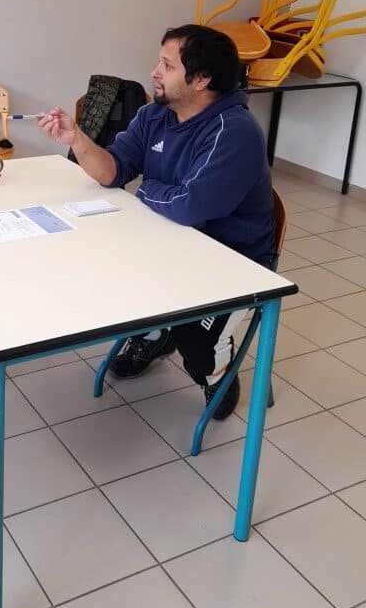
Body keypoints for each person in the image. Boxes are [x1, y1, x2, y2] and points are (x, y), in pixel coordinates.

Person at [38, 24, 275, 420]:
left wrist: (147, 189)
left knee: (197, 349)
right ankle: (154, 333)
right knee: (107, 277)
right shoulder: (154, 115)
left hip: (229, 260)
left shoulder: (234, 131)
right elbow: (114, 171)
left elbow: (190, 206)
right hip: (167, 239)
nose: (154, 72)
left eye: (167, 65)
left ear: (201, 79)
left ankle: (216, 372)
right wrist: (76, 139)